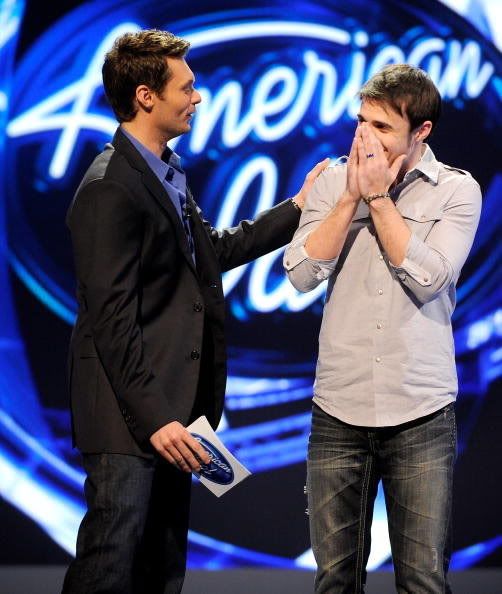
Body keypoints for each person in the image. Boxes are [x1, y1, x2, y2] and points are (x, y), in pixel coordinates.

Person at [61, 29, 327, 594]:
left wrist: (300, 206)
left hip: (172, 413)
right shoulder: (110, 188)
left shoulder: (166, 173)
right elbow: (112, 321)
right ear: (145, 96)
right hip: (131, 421)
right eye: (185, 86)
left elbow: (216, 252)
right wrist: (156, 420)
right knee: (109, 567)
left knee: (160, 572)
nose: (198, 96)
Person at [284, 64, 481, 593]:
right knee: (334, 579)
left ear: (422, 132)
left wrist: (377, 198)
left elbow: (431, 279)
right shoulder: (332, 182)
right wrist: (350, 196)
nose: (365, 138)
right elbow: (300, 274)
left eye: (382, 127)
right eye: (361, 122)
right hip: (338, 407)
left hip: (419, 410)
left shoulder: (456, 191)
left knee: (421, 579)